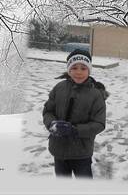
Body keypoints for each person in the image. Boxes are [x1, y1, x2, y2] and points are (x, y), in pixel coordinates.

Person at [43, 49, 107, 179]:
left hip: (81, 152)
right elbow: (48, 111)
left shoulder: (95, 95)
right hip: (58, 150)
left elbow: (99, 123)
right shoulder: (59, 88)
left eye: (83, 68)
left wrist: (75, 130)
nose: (78, 72)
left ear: (89, 70)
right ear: (68, 70)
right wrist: (52, 123)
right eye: (74, 68)